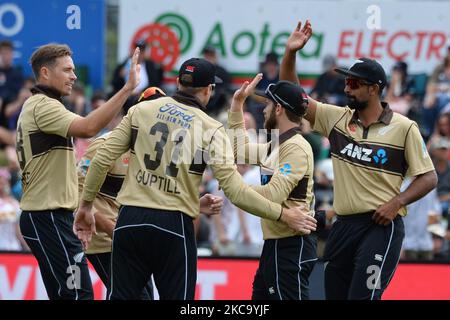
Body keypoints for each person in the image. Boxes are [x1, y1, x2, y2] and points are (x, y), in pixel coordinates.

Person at [74, 57, 316, 300]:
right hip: (173, 224)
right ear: (209, 89)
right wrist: (283, 214)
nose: (263, 108)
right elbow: (234, 188)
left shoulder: (140, 110)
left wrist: (85, 206)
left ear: (178, 82)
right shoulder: (211, 128)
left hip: (130, 219)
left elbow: (102, 157)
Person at [280, 20, 438, 300]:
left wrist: (397, 202)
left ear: (374, 89)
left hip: (380, 226)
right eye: (345, 82)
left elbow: (429, 177)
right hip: (343, 226)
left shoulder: (404, 127)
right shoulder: (336, 117)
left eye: (353, 83)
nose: (347, 88)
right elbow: (292, 95)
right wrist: (291, 53)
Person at [16, 43, 141, 300]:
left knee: (70, 295)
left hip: (49, 216)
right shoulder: (42, 106)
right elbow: (88, 127)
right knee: (79, 295)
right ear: (45, 73)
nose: (74, 76)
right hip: (47, 217)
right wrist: (127, 89)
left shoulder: (43, 105)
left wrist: (77, 211)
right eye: (67, 70)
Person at [78, 86, 223, 299]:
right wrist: (108, 225)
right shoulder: (104, 145)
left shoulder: (161, 147)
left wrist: (196, 204)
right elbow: (78, 193)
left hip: (130, 231)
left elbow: (157, 192)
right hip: (104, 239)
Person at [228, 73, 317, 300]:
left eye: (267, 104)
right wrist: (237, 105)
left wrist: (234, 188)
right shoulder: (276, 145)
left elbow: (273, 194)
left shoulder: (296, 147)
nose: (264, 110)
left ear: (279, 109)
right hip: (277, 244)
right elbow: (239, 150)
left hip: (291, 245)